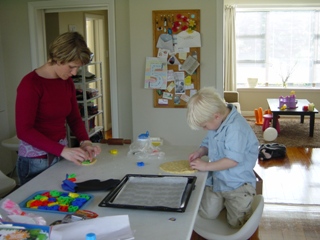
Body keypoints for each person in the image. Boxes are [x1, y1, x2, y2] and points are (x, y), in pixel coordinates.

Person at [15, 31, 101, 186]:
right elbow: (24, 130)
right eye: (71, 67)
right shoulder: (30, 84)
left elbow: (74, 118)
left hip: (59, 154)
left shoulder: (66, 82)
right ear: (58, 59)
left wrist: (85, 142)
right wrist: (63, 151)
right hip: (34, 161)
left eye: (78, 68)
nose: (74, 73)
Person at [187, 86, 259, 228]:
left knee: (237, 223)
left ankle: (236, 203)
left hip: (238, 184)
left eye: (205, 126)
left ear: (216, 116)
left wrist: (205, 166)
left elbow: (232, 160)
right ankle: (225, 203)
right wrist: (200, 152)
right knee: (206, 214)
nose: (205, 129)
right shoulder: (216, 124)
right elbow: (208, 143)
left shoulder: (236, 128)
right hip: (218, 180)